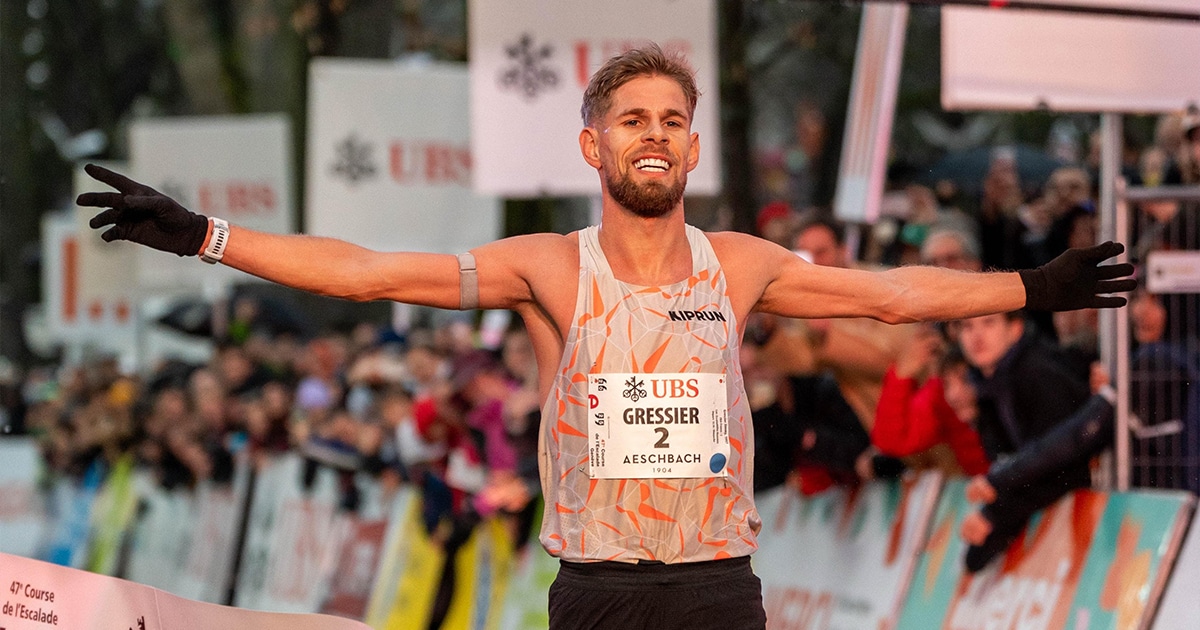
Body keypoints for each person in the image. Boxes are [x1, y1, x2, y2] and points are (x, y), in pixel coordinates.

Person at [78, 43, 1134, 630]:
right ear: (594, 145)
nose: (655, 136)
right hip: (598, 594)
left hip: (718, 587)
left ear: (694, 147)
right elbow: (368, 273)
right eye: (633, 120)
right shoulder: (547, 268)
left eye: (672, 120)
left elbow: (893, 298)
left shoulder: (741, 264)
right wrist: (208, 236)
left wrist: (1033, 284)